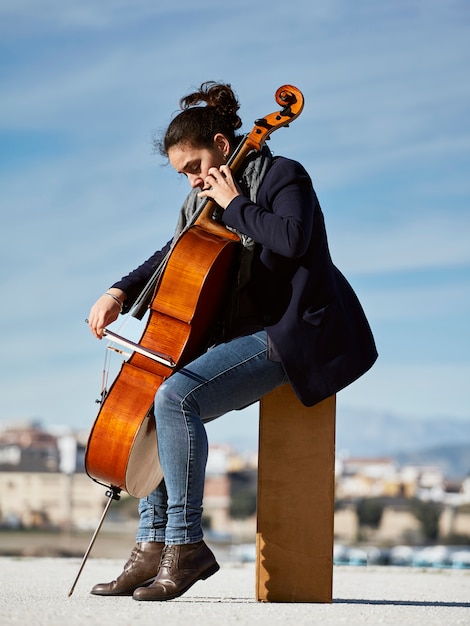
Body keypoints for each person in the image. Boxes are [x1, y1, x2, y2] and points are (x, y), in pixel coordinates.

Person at [87, 81, 377, 602]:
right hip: (245, 331)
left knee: (178, 397)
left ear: (223, 146)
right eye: (184, 175)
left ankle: (186, 545)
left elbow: (292, 238)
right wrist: (119, 290)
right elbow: (177, 252)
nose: (195, 181)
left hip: (295, 327)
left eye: (196, 166)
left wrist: (236, 202)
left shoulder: (284, 175)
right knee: (153, 397)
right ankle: (153, 546)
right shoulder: (208, 202)